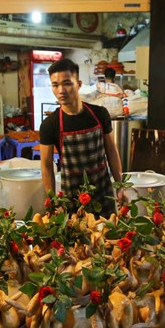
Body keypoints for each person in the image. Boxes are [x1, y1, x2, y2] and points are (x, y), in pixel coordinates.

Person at [39, 59, 123, 213]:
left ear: (78, 84)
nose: (61, 90)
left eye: (67, 83)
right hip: (72, 199)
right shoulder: (50, 125)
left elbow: (111, 150)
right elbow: (46, 165)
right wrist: (53, 201)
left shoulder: (99, 114)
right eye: (55, 85)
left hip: (103, 193)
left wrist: (120, 186)